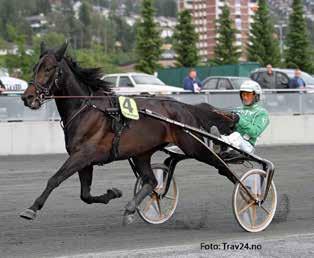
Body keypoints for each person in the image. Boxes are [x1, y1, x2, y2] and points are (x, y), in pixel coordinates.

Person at [211, 80, 269, 154]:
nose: (245, 97)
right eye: (243, 95)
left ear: (256, 96)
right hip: (232, 141)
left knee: (236, 135)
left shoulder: (262, 113)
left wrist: (239, 119)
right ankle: (219, 142)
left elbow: (255, 132)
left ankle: (220, 143)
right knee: (219, 127)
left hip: (247, 146)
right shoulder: (237, 109)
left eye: (248, 95)